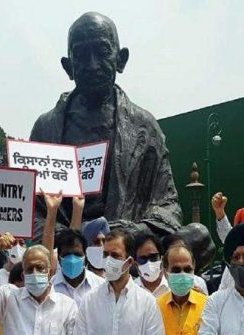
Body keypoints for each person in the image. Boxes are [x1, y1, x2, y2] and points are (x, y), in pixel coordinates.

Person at [30, 12, 188, 242]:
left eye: (102, 52)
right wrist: (67, 237)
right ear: (68, 66)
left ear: (120, 59)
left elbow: (169, 206)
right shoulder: (46, 129)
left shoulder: (144, 127)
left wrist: (130, 232)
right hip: (63, 248)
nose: (92, 65)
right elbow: (32, 210)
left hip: (125, 246)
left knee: (198, 236)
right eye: (81, 55)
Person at [72, 230, 167, 335]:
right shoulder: (89, 301)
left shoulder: (148, 303)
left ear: (129, 262)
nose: (108, 260)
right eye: (105, 255)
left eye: (115, 256)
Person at [156, 245, 207, 335]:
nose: (183, 274)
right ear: (165, 272)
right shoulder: (156, 307)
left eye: (187, 269)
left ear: (193, 269)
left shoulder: (207, 305)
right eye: (176, 270)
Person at [133, 232, 168, 298]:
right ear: (136, 263)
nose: (148, 263)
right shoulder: (131, 291)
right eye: (143, 259)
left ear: (162, 258)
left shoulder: (174, 288)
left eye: (153, 257)